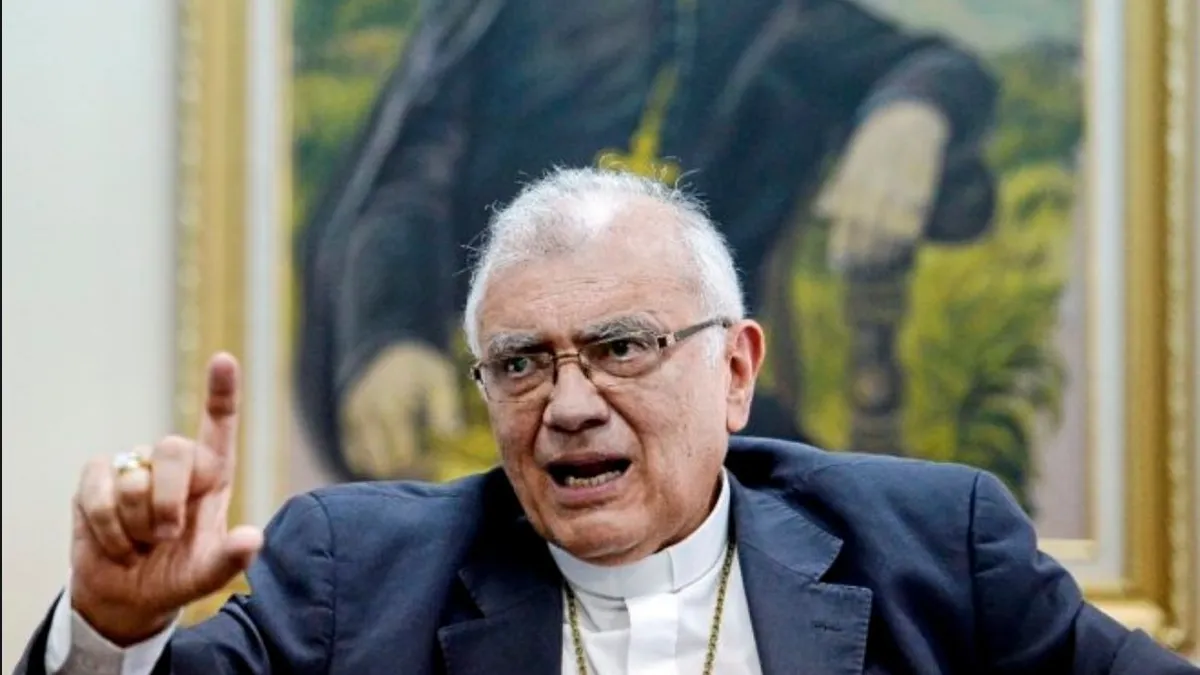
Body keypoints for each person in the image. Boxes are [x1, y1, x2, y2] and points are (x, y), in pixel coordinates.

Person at [16, 168, 1195, 675]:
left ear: (736, 371)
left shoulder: (936, 548)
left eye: (623, 347)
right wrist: (112, 632)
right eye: (520, 364)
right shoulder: (353, 578)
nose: (569, 406)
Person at [294, 0, 1000, 481]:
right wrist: (388, 335)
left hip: (690, 402)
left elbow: (927, 65)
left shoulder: (767, 15)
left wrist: (911, 115)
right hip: (498, 391)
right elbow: (410, 175)